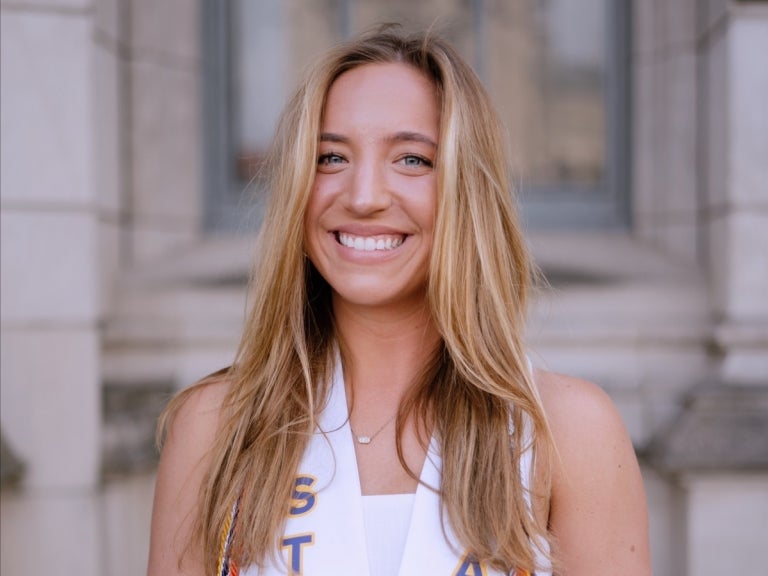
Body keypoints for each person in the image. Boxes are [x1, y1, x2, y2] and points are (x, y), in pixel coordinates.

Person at [147, 28, 651, 576]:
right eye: (331, 157)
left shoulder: (566, 432)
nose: (363, 196)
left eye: (412, 160)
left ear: (467, 188)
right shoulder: (217, 426)